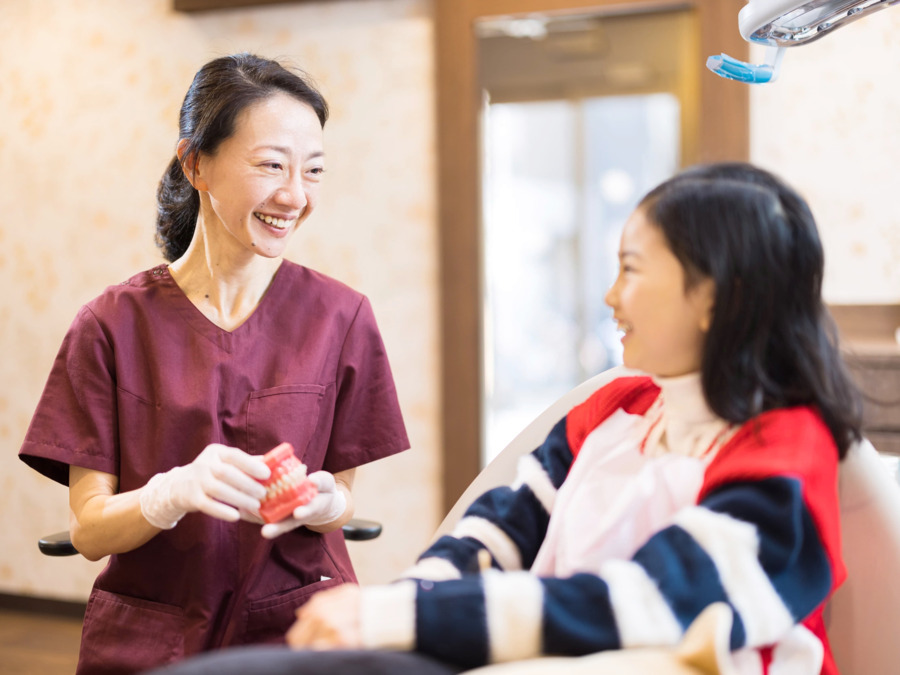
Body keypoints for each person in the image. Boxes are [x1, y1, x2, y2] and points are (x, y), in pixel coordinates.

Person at [149, 162, 862, 675]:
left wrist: (402, 618)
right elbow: (499, 530)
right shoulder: (616, 411)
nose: (611, 296)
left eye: (632, 269)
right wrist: (403, 609)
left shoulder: (785, 451)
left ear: (713, 295)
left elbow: (654, 601)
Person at [18, 53, 410, 674]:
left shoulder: (342, 317)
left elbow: (342, 497)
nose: (295, 195)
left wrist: (324, 504)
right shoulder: (110, 326)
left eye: (313, 171)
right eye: (271, 165)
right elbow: (89, 531)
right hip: (153, 638)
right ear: (195, 163)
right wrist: (168, 494)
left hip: (297, 631)